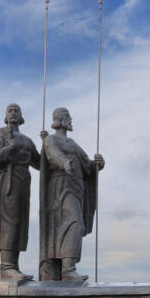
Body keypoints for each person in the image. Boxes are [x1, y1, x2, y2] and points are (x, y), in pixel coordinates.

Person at [39, 107, 104, 281]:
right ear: (60, 119)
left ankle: (67, 268)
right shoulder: (50, 139)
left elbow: (86, 164)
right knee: (75, 222)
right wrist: (64, 162)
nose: (70, 119)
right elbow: (53, 156)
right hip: (61, 186)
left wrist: (98, 163)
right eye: (67, 116)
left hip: (76, 187)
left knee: (75, 224)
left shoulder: (72, 143)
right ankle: (68, 269)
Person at [0, 104, 40, 280]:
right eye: (10, 111)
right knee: (9, 221)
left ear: (21, 116)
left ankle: (14, 266)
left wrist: (46, 143)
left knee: (20, 222)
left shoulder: (27, 140)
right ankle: (6, 266)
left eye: (17, 111)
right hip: (9, 178)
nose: (13, 113)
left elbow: (40, 163)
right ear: (6, 116)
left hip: (24, 181)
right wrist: (10, 148)